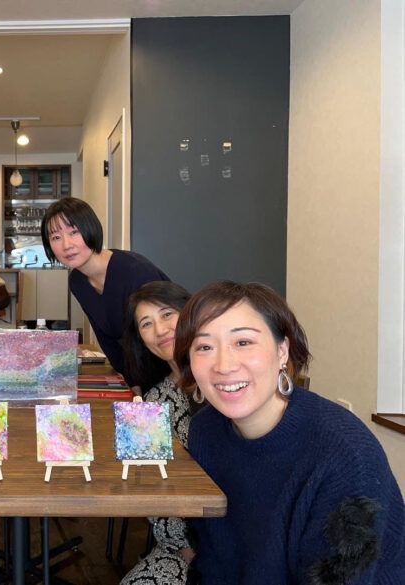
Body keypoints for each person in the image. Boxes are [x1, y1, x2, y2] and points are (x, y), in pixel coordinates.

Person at [172, 281, 405, 584]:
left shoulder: (346, 456)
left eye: (243, 342)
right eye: (204, 347)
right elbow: (214, 556)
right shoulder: (205, 430)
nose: (224, 365)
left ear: (282, 350)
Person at [120, 281, 201, 585]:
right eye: (146, 323)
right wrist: (185, 546)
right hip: (185, 546)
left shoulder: (226, 382)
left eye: (167, 314)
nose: (160, 330)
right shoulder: (152, 403)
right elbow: (154, 489)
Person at [41, 197, 169, 388]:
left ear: (91, 229)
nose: (66, 245)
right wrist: (130, 383)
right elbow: (106, 338)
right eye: (56, 238)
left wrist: (143, 388)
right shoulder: (77, 281)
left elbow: (164, 337)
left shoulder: (135, 271)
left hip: (173, 373)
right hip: (138, 378)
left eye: (74, 232)